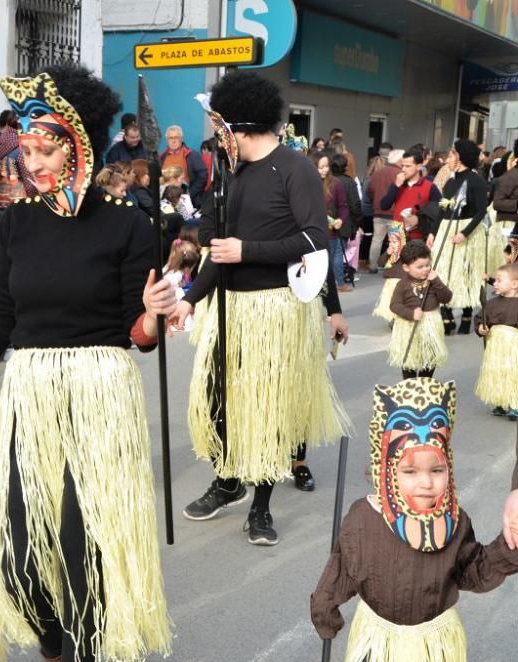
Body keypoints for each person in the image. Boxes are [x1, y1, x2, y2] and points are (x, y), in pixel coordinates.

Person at [0, 64, 173, 661]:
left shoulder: (127, 223)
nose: (29, 163)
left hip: (100, 388)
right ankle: (52, 634)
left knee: (81, 538)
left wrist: (154, 313)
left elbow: (136, 336)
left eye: (44, 149)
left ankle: (88, 645)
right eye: (24, 150)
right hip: (31, 389)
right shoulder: (17, 223)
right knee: (18, 544)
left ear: (78, 145)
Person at [170, 71, 349, 546]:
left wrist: (246, 250)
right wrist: (189, 299)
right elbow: (215, 243)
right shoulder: (232, 172)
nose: (215, 136)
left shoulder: (296, 169)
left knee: (266, 410)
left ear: (241, 126)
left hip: (276, 309)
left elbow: (314, 237)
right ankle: (227, 481)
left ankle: (261, 506)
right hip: (225, 308)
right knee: (218, 402)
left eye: (220, 126)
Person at [311, 378, 518, 662]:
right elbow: (342, 569)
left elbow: (475, 571)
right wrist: (325, 610)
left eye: (436, 470)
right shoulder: (363, 518)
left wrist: (510, 547)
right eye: (410, 472)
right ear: (387, 470)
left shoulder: (454, 523)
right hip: (377, 643)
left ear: (449, 467)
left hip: (435, 645)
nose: (426, 483)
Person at [432, 139, 489, 335]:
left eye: (451, 154)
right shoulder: (450, 181)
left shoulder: (477, 181)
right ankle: (446, 315)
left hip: (467, 231)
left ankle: (466, 314)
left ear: (460, 157)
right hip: (447, 231)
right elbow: (442, 209)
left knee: (465, 273)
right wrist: (433, 232)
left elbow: (482, 211)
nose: (447, 158)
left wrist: (465, 233)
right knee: (443, 272)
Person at [388, 240, 452, 380]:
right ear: (406, 267)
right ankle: (409, 384)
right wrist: (410, 313)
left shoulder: (433, 281)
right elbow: (394, 305)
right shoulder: (402, 284)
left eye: (428, 265)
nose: (425, 269)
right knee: (409, 358)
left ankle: (425, 382)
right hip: (408, 326)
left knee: (430, 356)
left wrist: (436, 281)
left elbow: (447, 298)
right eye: (420, 267)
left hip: (431, 324)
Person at [474, 262, 518, 419]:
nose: (495, 283)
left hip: (514, 347)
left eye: (500, 280)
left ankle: (514, 403)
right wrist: (481, 328)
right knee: (496, 372)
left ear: (514, 284)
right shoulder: (491, 304)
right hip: (495, 347)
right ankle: (499, 400)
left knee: (512, 373)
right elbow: (480, 318)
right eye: (496, 280)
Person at [0, 109, 33, 223]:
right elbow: (26, 174)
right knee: (19, 234)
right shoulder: (19, 145)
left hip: (0, 196)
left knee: (6, 232)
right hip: (17, 198)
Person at [379, 146, 441, 244]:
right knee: (394, 259)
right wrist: (395, 186)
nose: (403, 169)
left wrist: (420, 221)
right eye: (402, 165)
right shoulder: (397, 184)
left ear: (419, 166)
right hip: (396, 234)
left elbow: (439, 212)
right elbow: (384, 206)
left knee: (414, 259)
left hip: (418, 236)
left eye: (408, 166)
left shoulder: (430, 186)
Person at [312, 151, 350, 293]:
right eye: (321, 167)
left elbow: (344, 207)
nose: (325, 170)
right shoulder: (305, 182)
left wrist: (341, 219)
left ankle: (333, 286)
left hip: (331, 233)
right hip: (312, 232)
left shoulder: (336, 184)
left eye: (326, 166)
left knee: (331, 260)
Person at [366, 147, 402, 272]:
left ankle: (373, 265)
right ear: (399, 160)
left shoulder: (377, 173)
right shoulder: (400, 174)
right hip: (394, 212)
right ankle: (392, 266)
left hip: (378, 212)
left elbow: (369, 192)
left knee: (377, 240)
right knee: (395, 241)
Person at [330, 152, 362, 290]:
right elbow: (355, 205)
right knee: (337, 252)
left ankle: (329, 281)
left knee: (331, 252)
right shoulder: (349, 182)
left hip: (328, 220)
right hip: (344, 221)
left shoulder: (327, 181)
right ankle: (338, 282)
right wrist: (356, 221)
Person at [159, 124, 208, 207]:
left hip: (188, 200)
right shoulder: (161, 157)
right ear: (167, 140)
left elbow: (203, 176)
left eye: (176, 137)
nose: (173, 141)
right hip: (165, 201)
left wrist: (189, 194)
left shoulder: (192, 155)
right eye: (170, 138)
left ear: (181, 139)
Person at [371, 220, 407, 322]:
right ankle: (392, 318)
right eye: (390, 242)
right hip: (390, 281)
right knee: (391, 300)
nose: (392, 244)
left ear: (402, 241)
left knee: (400, 300)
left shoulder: (406, 252)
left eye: (395, 242)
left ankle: (400, 316)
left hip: (401, 281)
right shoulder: (389, 253)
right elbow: (380, 263)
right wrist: (387, 253)